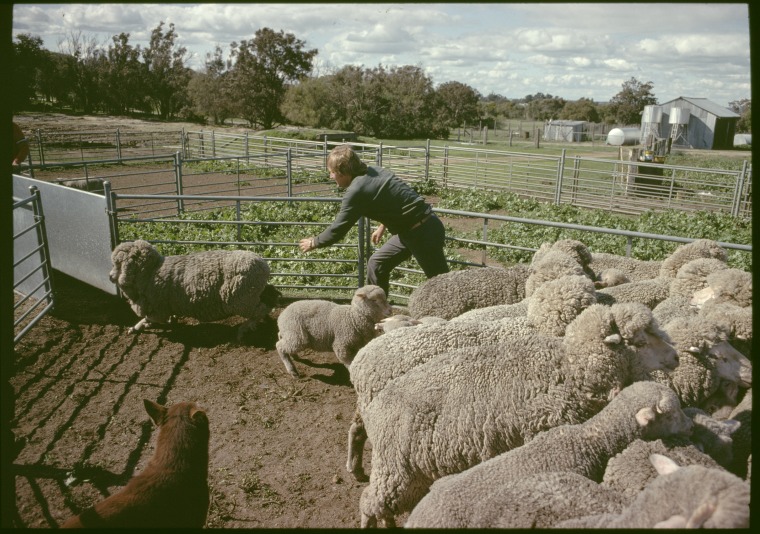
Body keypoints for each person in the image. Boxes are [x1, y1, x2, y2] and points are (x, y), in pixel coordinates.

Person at [299, 144, 449, 296]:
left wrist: (314, 242)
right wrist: (382, 226)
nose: (331, 177)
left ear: (343, 172)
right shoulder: (375, 171)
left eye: (332, 173)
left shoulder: (356, 191)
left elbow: (338, 228)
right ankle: (379, 311)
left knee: (441, 283)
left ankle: (461, 316)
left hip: (422, 232)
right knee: (377, 264)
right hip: (414, 229)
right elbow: (396, 200)